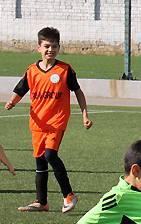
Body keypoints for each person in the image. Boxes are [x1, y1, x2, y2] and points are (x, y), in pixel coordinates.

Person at [5, 26, 92, 213]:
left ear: (59, 48)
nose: (50, 50)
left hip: (56, 122)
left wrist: (85, 114)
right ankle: (41, 202)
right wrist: (12, 102)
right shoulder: (31, 71)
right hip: (37, 123)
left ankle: (69, 195)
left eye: (53, 46)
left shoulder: (64, 70)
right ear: (38, 48)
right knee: (40, 161)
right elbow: (20, 90)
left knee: (50, 155)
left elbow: (78, 92)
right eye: (46, 46)